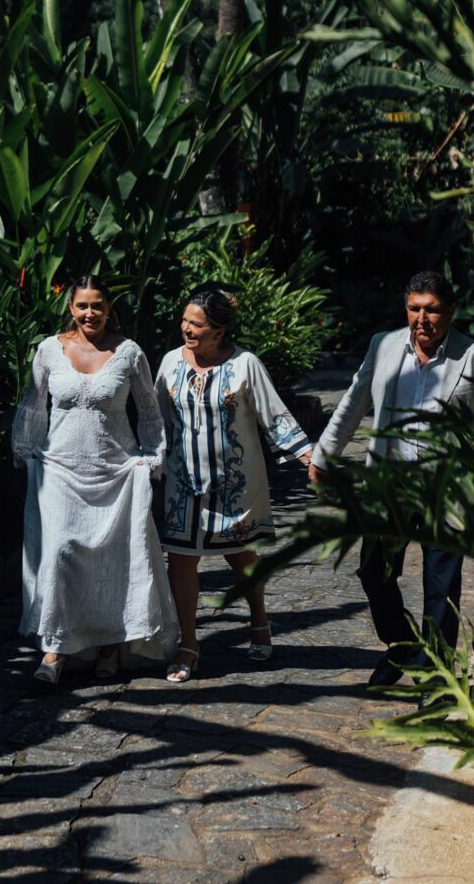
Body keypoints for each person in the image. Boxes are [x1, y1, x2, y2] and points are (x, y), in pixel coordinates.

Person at [308, 270, 474, 688]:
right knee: (373, 572)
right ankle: (401, 643)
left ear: (449, 311)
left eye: (431, 310)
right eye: (414, 309)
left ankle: (436, 676)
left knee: (441, 588)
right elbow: (353, 404)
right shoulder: (384, 346)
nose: (422, 319)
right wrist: (325, 454)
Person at [12, 276, 178, 684]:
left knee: (112, 559)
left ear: (108, 309)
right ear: (71, 307)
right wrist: (26, 451)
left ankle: (109, 645)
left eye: (98, 306)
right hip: (60, 472)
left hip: (114, 472)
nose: (90, 314)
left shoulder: (128, 353)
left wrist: (150, 460)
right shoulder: (49, 350)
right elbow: (34, 405)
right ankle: (54, 651)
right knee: (60, 554)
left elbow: (149, 410)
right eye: (83, 306)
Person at [156, 283, 312, 683]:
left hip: (234, 486)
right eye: (185, 322)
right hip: (182, 484)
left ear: (219, 331)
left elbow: (273, 416)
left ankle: (259, 620)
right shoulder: (171, 363)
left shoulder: (245, 365)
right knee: (181, 560)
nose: (187, 330)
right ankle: (188, 644)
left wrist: (308, 457)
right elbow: (156, 419)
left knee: (240, 556)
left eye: (197, 325)